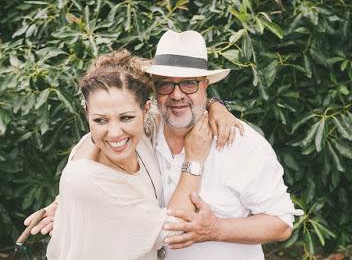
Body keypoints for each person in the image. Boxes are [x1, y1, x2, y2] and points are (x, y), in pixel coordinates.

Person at [27, 30, 303, 260]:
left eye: (189, 84)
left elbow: (280, 225)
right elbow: (96, 162)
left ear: (206, 86)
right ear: (153, 93)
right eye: (166, 85)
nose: (177, 95)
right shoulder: (141, 132)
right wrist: (70, 200)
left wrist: (216, 228)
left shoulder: (241, 144)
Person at [44, 51, 234, 260]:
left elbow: (177, 102)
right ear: (87, 114)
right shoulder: (85, 177)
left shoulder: (142, 134)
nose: (115, 133)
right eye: (100, 120)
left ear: (146, 110)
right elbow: (171, 229)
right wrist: (194, 160)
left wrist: (216, 105)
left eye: (126, 117)